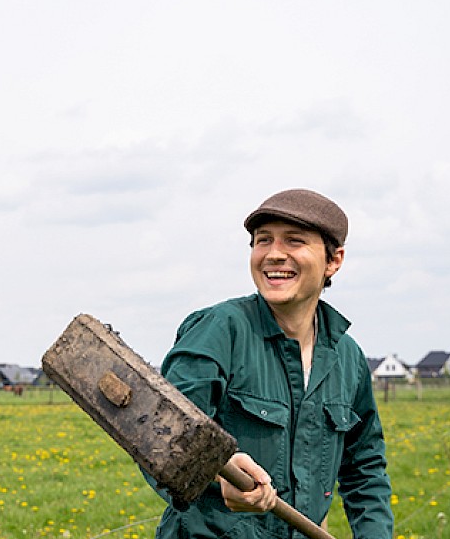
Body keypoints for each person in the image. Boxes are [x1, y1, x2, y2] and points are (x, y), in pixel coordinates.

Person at [149, 189, 393, 538]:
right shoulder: (218, 331)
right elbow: (159, 439)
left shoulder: (347, 357)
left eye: (294, 241)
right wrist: (219, 477)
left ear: (333, 260)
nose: (274, 254)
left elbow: (364, 468)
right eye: (263, 241)